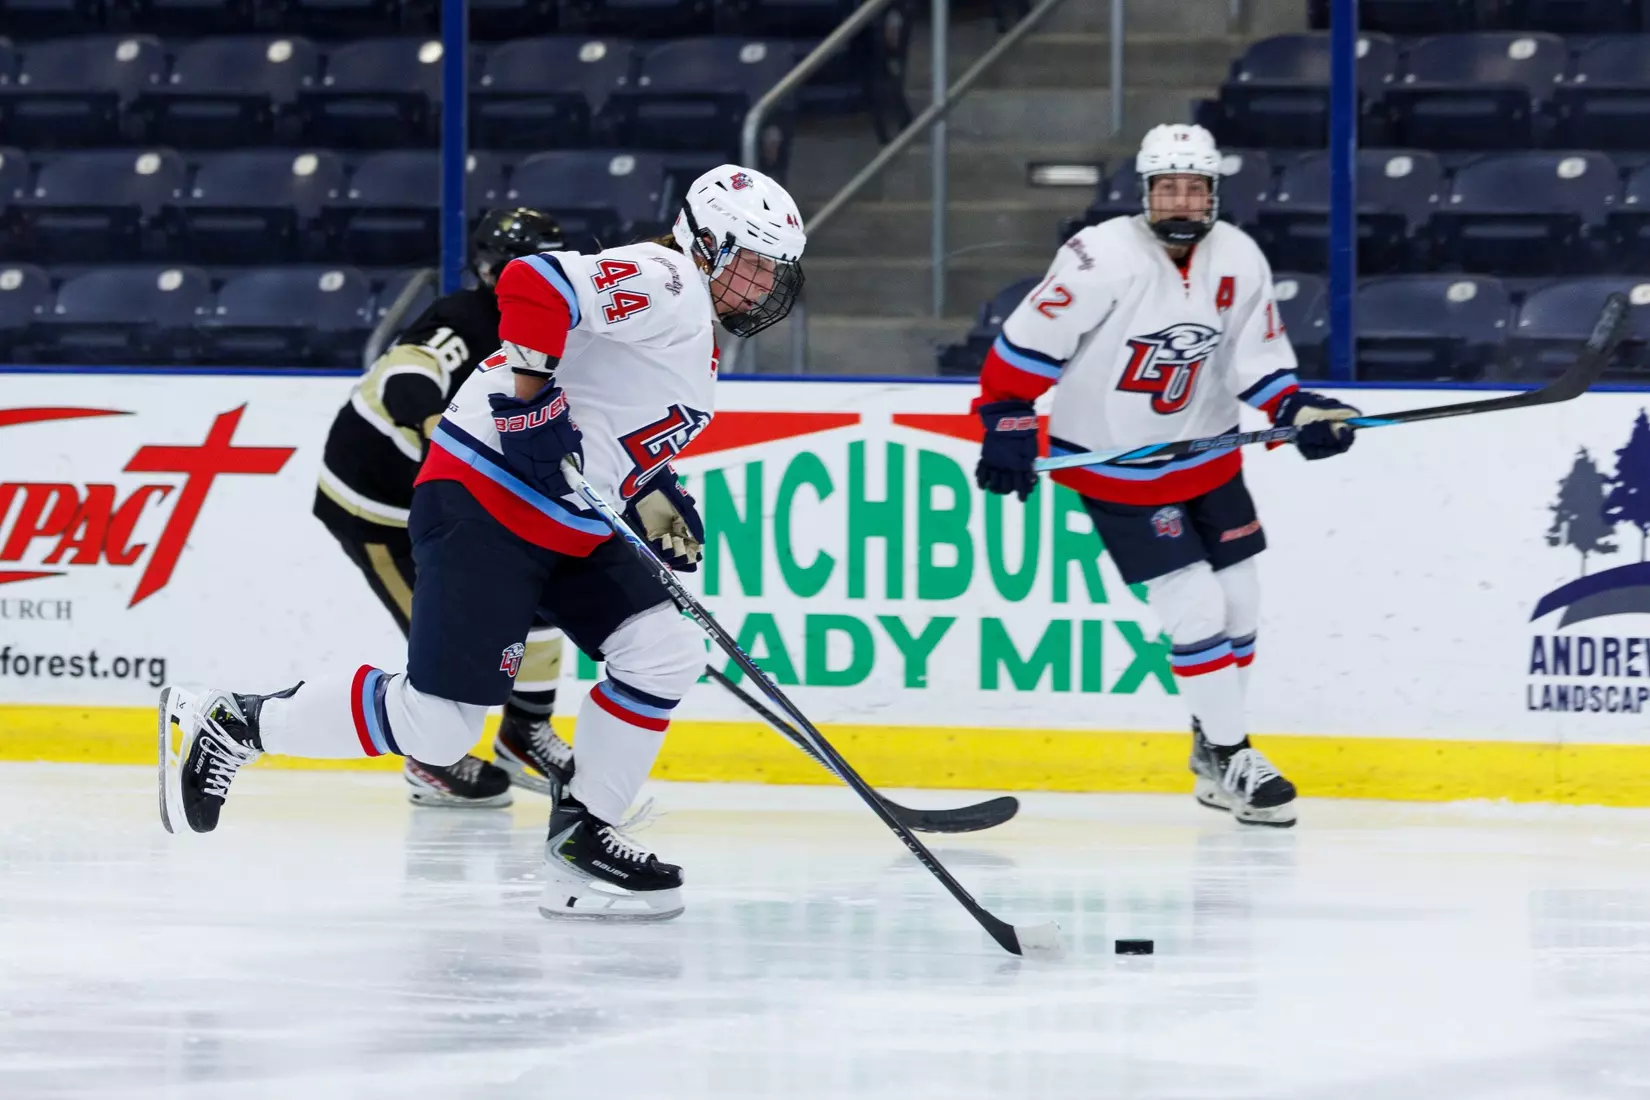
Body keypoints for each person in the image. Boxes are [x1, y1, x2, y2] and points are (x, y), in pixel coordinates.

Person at [159, 165, 808, 923]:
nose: (766, 285)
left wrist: (653, 494)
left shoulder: (689, 318)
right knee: (442, 725)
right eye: (755, 262)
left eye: (775, 270)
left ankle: (582, 847)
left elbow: (605, 431)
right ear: (705, 242)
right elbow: (534, 286)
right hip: (486, 505)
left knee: (664, 651)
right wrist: (527, 404)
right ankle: (230, 720)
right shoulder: (666, 278)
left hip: (566, 522)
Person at [971, 124, 1359, 828]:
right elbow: (1027, 348)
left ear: (1213, 192)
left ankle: (1211, 755)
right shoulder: (1100, 259)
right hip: (1119, 467)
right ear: (1146, 192)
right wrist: (1005, 418)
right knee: (1197, 612)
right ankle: (1235, 754)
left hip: (1209, 456)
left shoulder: (1239, 256)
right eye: (1167, 186)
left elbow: (1260, 359)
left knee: (1241, 604)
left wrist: (1299, 409)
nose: (1182, 199)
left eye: (1195, 186)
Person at [313, 207, 574, 809]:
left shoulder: (553, 332)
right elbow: (407, 370)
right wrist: (435, 420)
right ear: (490, 270)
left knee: (537, 599)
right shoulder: (465, 318)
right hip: (374, 506)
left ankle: (524, 736)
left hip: (453, 499)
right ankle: (431, 758)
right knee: (445, 638)